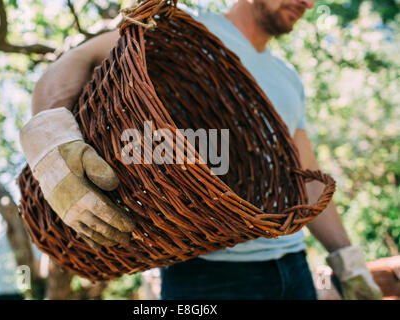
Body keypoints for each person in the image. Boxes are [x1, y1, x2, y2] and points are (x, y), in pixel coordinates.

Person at [19, 0, 382, 300]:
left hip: (294, 268)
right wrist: (52, 144)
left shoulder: (288, 78)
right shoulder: (184, 28)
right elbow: (76, 59)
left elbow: (306, 174)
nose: (308, 2)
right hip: (206, 276)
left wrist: (347, 260)